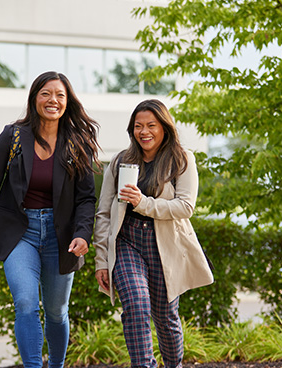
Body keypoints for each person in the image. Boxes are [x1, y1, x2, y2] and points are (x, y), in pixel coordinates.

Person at [0, 71, 101, 368]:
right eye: (46, 93)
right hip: (18, 234)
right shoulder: (12, 136)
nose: (53, 100)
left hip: (61, 237)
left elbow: (86, 198)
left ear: (67, 101)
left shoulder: (77, 142)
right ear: (35, 97)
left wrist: (82, 234)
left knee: (56, 311)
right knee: (24, 303)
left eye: (60, 95)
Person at [93, 99, 213, 368]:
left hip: (164, 245)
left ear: (164, 127)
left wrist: (142, 202)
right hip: (126, 242)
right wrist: (101, 260)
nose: (143, 131)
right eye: (138, 126)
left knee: (166, 318)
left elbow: (185, 206)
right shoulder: (121, 161)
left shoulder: (181, 160)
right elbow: (103, 213)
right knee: (135, 304)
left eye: (150, 125)